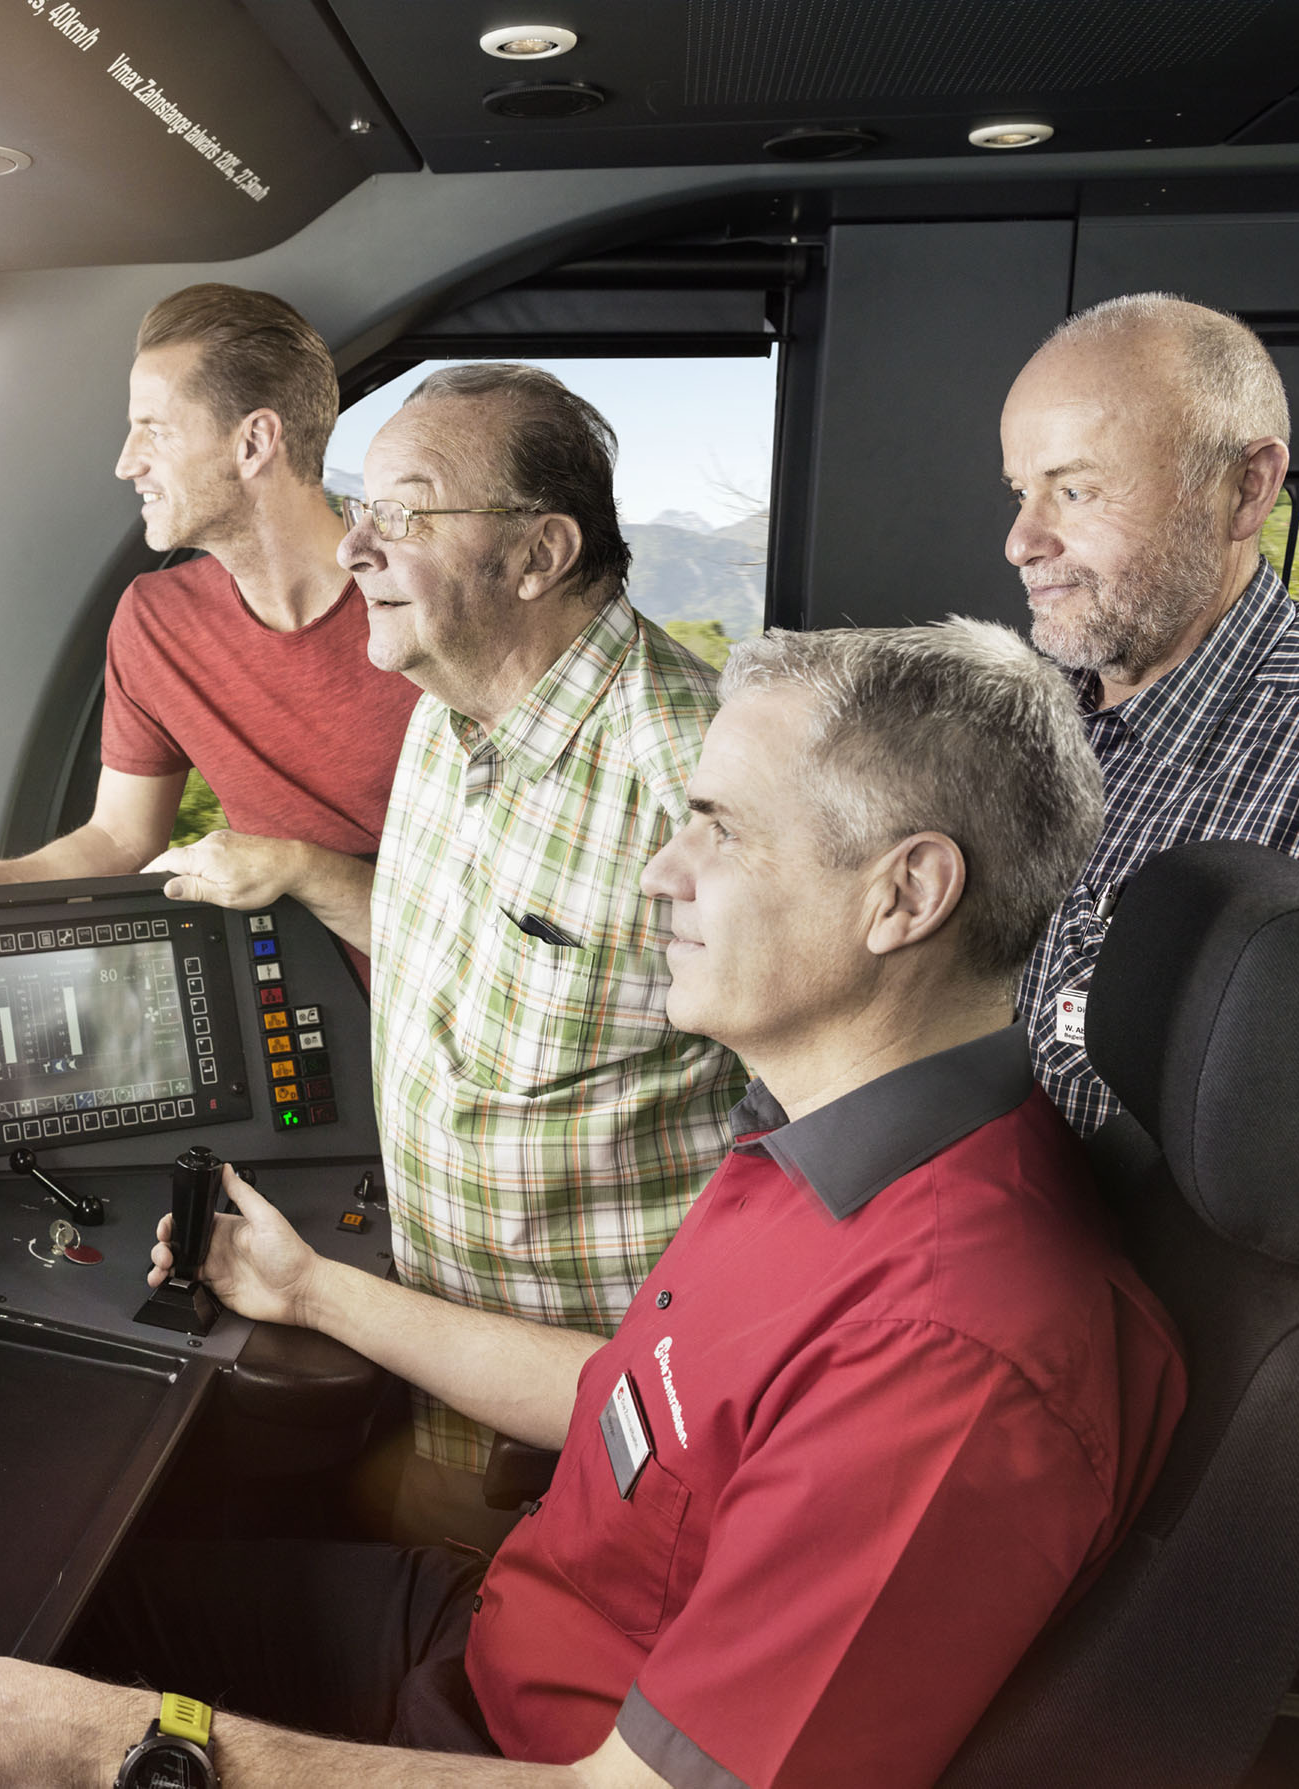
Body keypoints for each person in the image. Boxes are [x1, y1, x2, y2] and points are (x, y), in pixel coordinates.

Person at [0, 621, 1187, 1789]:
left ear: (906, 894)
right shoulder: (823, 1140)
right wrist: (311, 1289)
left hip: (519, 1752)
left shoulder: (958, 1350)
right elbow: (636, 1401)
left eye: (716, 833)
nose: (657, 875)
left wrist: (118, 1748)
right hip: (486, 1647)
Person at [326, 364, 743, 1538]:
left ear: (534, 553)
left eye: (401, 511)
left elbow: (822, 1149)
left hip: (612, 1460)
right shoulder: (441, 720)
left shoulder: (697, 776)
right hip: (449, 1406)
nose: (355, 544)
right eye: (358, 506)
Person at [997, 293, 1299, 1496]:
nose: (1020, 539)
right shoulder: (1020, 724)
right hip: (986, 1365)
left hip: (1203, 1439)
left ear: (1243, 490)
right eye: (1016, 491)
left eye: (1073, 489)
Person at [0, 284, 420, 974]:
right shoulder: (155, 622)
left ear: (254, 441)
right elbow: (118, 836)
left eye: (155, 428)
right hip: (305, 1021)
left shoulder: (421, 602)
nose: (126, 461)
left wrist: (297, 867)